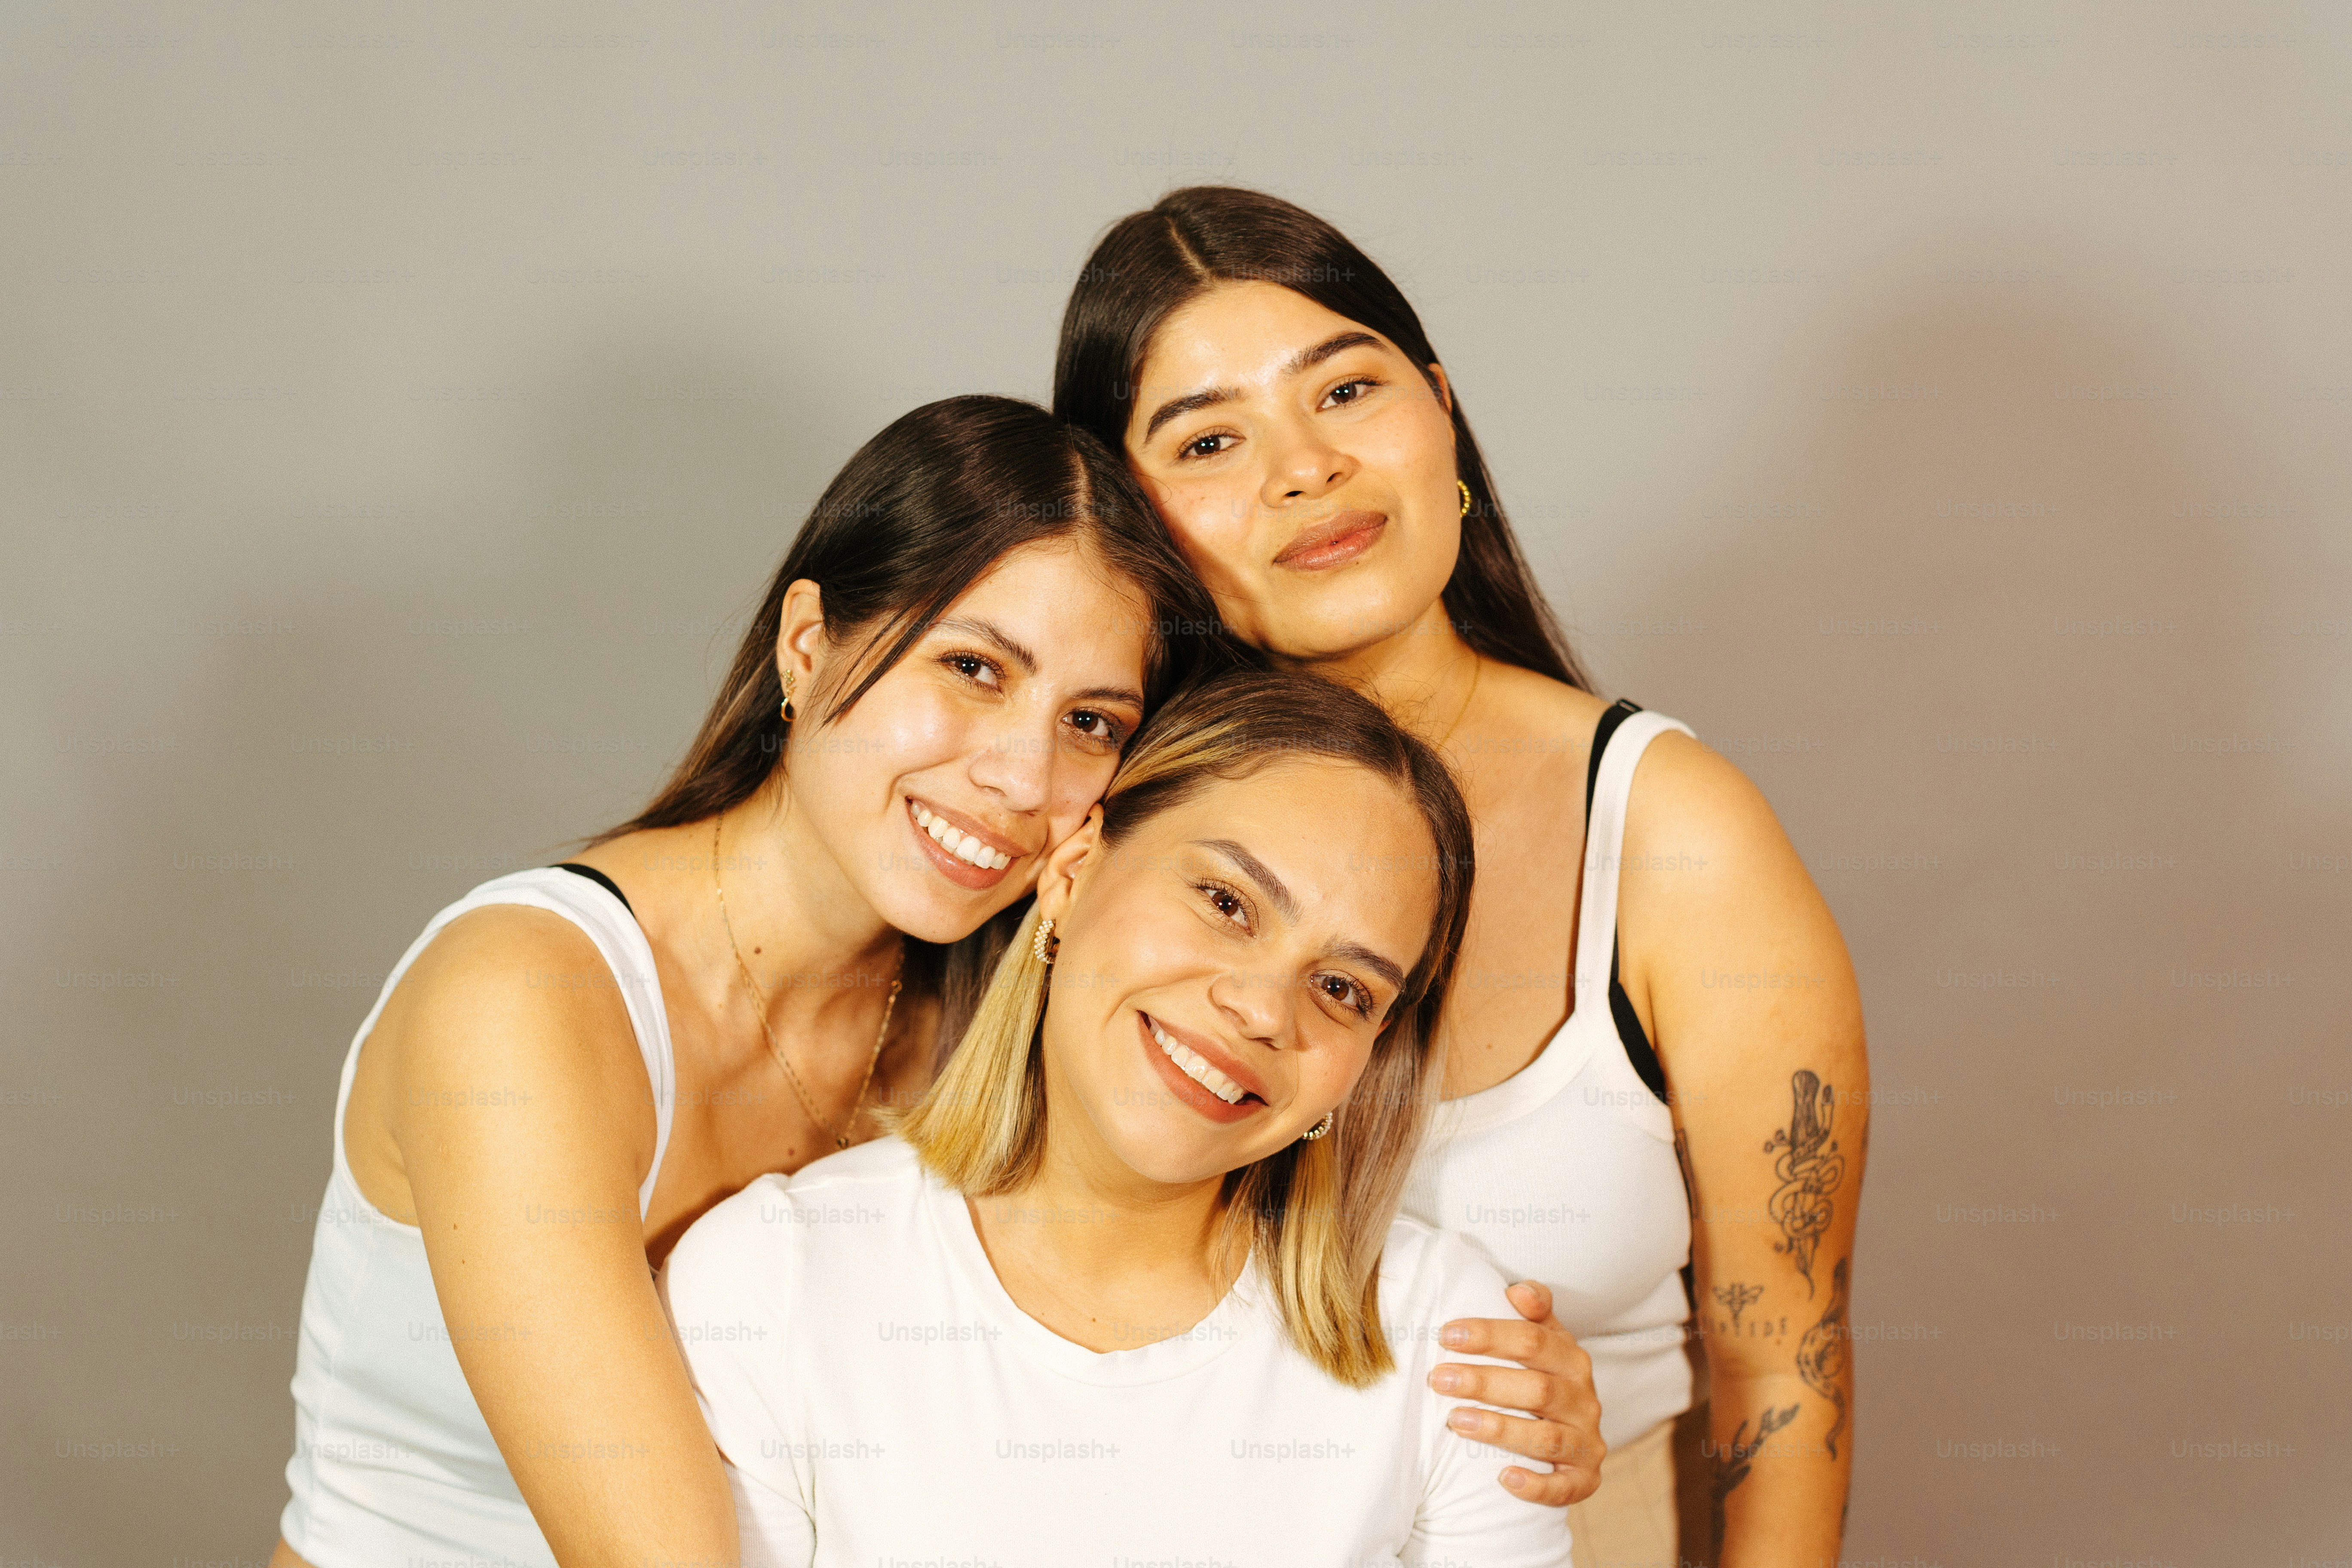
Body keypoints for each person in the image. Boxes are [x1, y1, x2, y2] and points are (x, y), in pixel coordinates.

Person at [270, 395, 1592, 1568]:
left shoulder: (982, 1009)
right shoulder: (525, 1001)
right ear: (809, 644)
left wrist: (1504, 1399)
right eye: (974, 670)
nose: (1023, 780)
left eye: (1091, 724)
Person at [1054, 188, 1870, 1567]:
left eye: (1349, 390)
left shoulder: (1671, 832)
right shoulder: (1072, 816)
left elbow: (1788, 1373)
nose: (1305, 470)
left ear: (1442, 413)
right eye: (1209, 439)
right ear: (1127, 516)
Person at [663, 669, 1569, 1568]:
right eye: (1226, 903)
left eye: (1343, 989)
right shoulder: (774, 1283)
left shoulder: (1452, 1342)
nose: (1264, 1009)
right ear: (1073, 870)